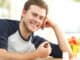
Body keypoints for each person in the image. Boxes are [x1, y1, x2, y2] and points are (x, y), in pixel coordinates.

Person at [0, 0, 73, 60]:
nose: (37, 20)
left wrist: (55, 26)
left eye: (41, 18)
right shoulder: (4, 26)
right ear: (24, 13)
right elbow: (1, 56)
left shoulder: (37, 42)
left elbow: (68, 55)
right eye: (34, 15)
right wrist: (36, 54)